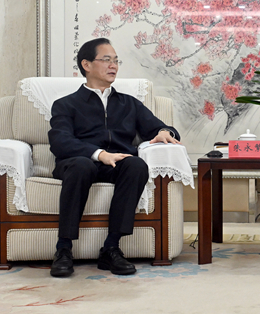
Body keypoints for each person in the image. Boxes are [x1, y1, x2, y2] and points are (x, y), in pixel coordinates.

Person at [48, 38, 181, 277]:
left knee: (136, 165)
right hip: (77, 163)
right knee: (82, 166)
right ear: (86, 65)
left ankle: (111, 248)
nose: (113, 66)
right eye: (107, 60)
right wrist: (99, 154)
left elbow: (159, 127)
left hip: (116, 164)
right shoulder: (65, 105)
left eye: (116, 61)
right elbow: (60, 141)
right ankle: (64, 248)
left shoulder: (128, 103)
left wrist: (164, 132)